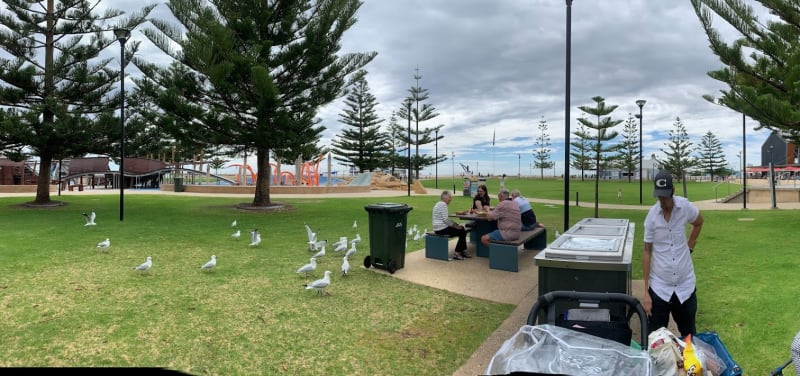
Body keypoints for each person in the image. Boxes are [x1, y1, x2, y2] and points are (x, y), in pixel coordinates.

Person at [643, 170, 704, 337]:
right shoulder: (651, 218)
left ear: (673, 191)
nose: (662, 201)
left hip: (685, 287)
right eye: (659, 197)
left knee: (689, 337)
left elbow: (699, 222)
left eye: (665, 196)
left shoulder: (685, 207)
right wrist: (646, 292)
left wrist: (690, 245)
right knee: (656, 339)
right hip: (660, 288)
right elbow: (647, 251)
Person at [432, 190, 471, 260]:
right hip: (441, 229)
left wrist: (455, 224)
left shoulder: (438, 204)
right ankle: (457, 253)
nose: (451, 199)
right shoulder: (443, 205)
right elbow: (446, 220)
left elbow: (445, 219)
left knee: (461, 228)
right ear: (445, 198)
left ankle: (462, 250)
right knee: (462, 230)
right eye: (450, 197)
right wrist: (456, 226)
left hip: (439, 228)